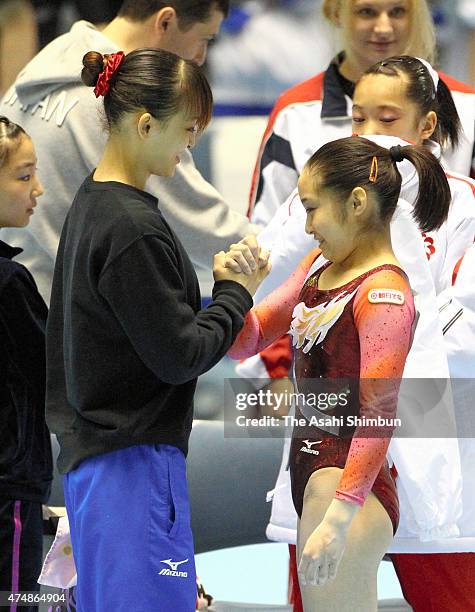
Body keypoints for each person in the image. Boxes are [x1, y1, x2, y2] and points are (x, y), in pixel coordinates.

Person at [239, 56, 475, 612]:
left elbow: (464, 325)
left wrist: (383, 342)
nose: (368, 133)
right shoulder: (320, 200)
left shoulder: (463, 203)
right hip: (327, 434)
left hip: (431, 431)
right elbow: (262, 293)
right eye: (357, 117)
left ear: (427, 127)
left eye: (387, 118)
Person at [45, 47, 269, 612]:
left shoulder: (94, 205)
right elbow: (181, 354)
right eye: (186, 130)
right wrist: (235, 293)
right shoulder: (131, 227)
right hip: (134, 470)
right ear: (146, 125)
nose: (190, 145)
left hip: (101, 466)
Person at [0, 0, 261, 304]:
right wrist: (294, 255)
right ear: (165, 21)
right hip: (68, 324)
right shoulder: (125, 105)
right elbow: (206, 228)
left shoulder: (41, 68)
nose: (200, 58)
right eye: (204, 38)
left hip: (22, 308)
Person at [248, 0, 475, 227]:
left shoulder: (467, 106)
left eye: (397, 12)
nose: (383, 28)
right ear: (336, 13)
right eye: (367, 12)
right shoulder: (296, 113)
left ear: (428, 124)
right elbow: (265, 233)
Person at [0, 116, 52, 612]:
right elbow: (55, 371)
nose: (38, 188)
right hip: (9, 487)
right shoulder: (10, 285)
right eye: (23, 175)